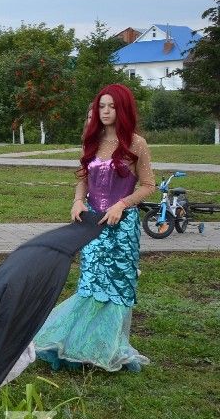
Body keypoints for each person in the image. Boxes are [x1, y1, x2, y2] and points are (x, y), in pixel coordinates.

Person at [33, 84, 156, 372]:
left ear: (123, 109)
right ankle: (77, 345)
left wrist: (121, 204)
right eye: (102, 106)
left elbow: (149, 185)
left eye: (112, 106)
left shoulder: (136, 144)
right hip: (91, 226)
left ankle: (110, 347)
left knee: (116, 287)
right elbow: (83, 178)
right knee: (90, 285)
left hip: (121, 228)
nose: (105, 111)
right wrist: (78, 201)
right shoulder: (92, 140)